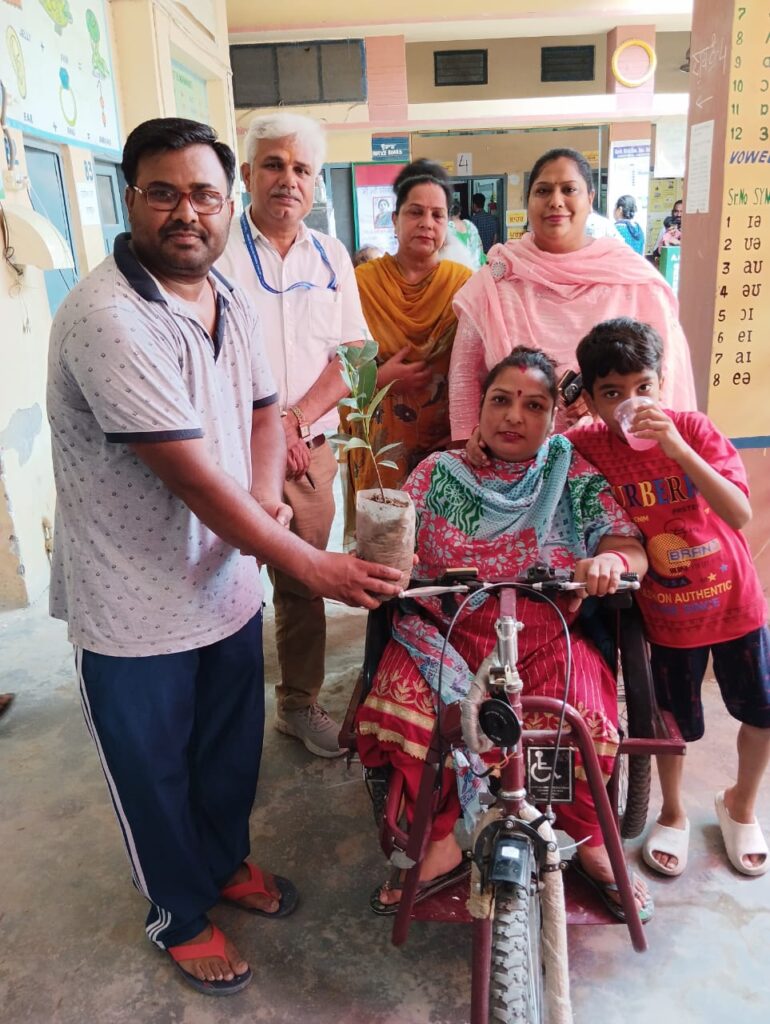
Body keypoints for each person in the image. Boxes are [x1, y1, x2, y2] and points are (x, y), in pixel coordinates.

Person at [47, 117, 402, 996]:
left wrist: (268, 494)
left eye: (204, 195)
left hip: (225, 588)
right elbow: (195, 482)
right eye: (163, 193)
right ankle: (177, 909)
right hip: (134, 606)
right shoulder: (109, 317)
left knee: (227, 751)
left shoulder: (224, 296)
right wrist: (309, 563)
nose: (186, 213)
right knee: (154, 770)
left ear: (225, 199)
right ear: (129, 198)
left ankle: (223, 860)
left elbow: (263, 409)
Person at [356, 346, 653, 920]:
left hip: (544, 631)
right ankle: (441, 838)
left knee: (583, 719)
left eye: (534, 405)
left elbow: (626, 544)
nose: (514, 416)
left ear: (553, 417)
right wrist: (383, 556)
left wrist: (611, 561)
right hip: (445, 629)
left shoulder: (570, 471)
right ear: (480, 409)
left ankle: (589, 839)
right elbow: (395, 543)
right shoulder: (438, 473)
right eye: (501, 400)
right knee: (412, 717)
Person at [570, 318, 770, 878]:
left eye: (643, 387)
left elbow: (739, 512)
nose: (631, 403)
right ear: (592, 401)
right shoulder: (589, 445)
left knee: (762, 712)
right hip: (668, 619)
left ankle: (741, 805)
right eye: (613, 393)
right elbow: (544, 453)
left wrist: (678, 448)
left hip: (735, 606)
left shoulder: (694, 430)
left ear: (662, 382)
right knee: (672, 727)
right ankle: (674, 812)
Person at [218, 112, 368, 758]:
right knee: (218, 581)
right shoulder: (215, 250)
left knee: (304, 583)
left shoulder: (331, 256)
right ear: (248, 174)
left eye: (302, 168)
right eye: (274, 165)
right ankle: (216, 711)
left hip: (309, 452)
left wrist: (293, 421)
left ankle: (298, 703)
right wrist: (263, 433)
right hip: (223, 452)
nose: (288, 179)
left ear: (317, 182)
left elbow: (354, 355)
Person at [450, 148, 696, 441]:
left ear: (590, 199)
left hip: (618, 453)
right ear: (528, 201)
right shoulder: (496, 281)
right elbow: (464, 380)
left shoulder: (634, 280)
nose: (556, 201)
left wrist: (604, 399)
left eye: (569, 189)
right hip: (516, 458)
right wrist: (470, 446)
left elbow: (667, 378)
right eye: (543, 190)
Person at [343, 160, 472, 501]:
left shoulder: (463, 286)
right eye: (415, 212)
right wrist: (381, 378)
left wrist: (466, 432)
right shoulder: (361, 284)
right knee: (382, 527)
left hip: (444, 442)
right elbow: (335, 364)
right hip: (379, 445)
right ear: (395, 220)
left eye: (437, 215)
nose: (427, 223)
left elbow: (479, 367)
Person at [444, 201, 485, 270]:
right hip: (475, 267)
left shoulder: (447, 228)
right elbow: (480, 245)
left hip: (459, 270)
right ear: (459, 212)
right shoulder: (470, 225)